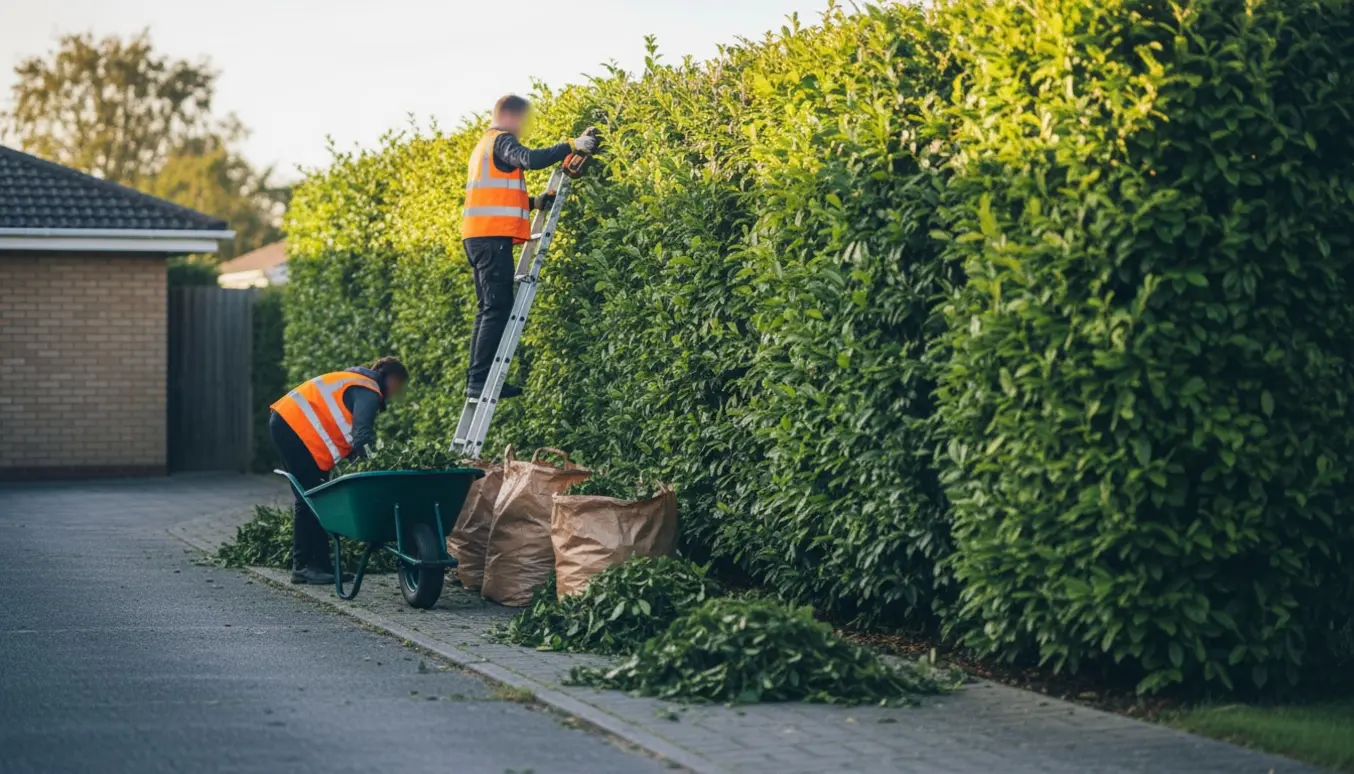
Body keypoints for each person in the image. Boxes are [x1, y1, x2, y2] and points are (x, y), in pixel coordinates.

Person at [461, 94, 598, 399]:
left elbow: (495, 194)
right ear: (512, 116)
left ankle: (478, 378)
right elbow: (530, 159)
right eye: (525, 120)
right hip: (491, 237)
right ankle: (479, 380)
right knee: (496, 308)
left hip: (479, 236)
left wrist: (534, 203)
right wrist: (571, 145)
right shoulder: (501, 140)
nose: (525, 127)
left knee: (489, 309)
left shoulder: (483, 146)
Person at [269, 357, 409, 584]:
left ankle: (321, 567)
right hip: (294, 427)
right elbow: (362, 435)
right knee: (310, 498)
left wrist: (359, 460)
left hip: (289, 424)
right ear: (390, 378)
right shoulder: (368, 389)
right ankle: (305, 567)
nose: (397, 391)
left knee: (316, 496)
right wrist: (376, 468)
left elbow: (350, 437)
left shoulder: (354, 382)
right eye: (398, 385)